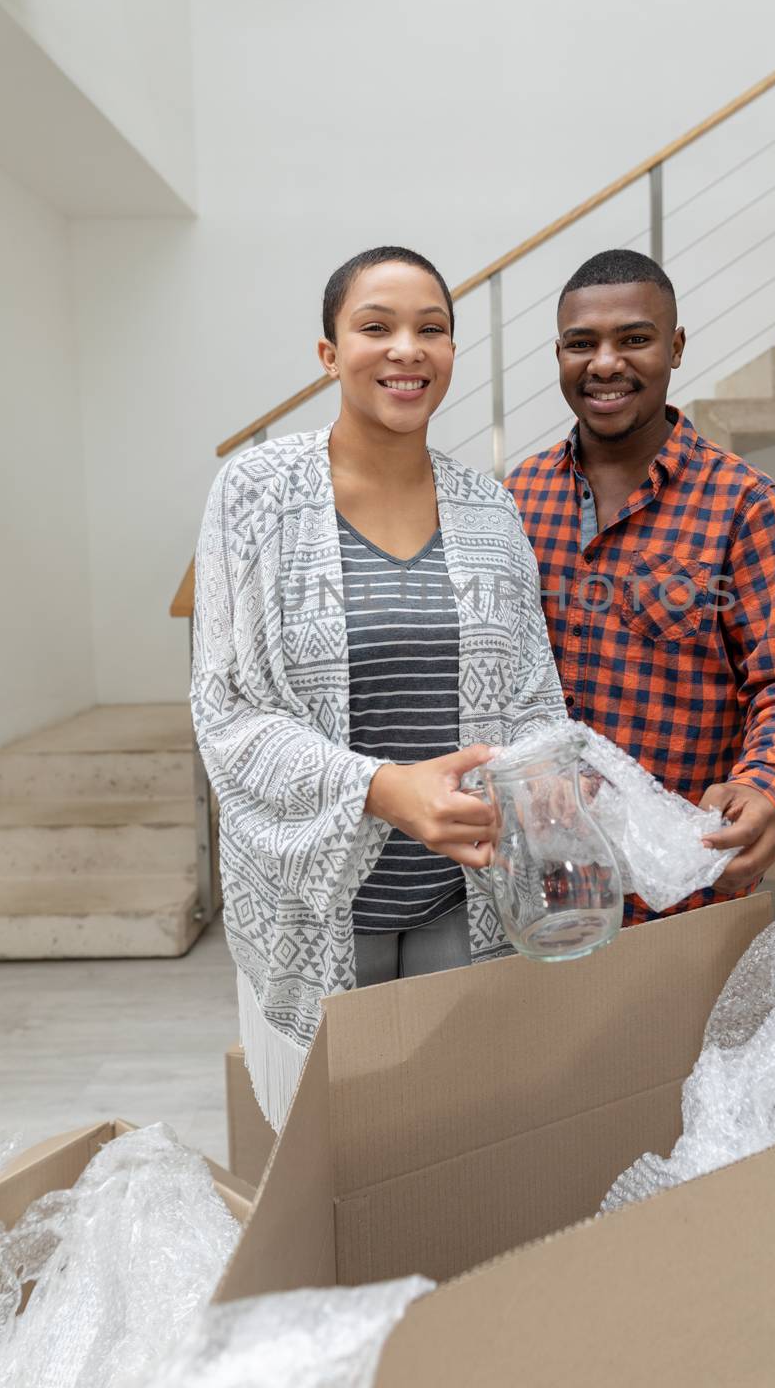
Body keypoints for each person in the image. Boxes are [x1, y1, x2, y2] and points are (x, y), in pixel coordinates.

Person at [190, 245, 565, 1128]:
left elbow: (530, 688)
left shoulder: (489, 507)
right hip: (313, 904)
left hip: (459, 895)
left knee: (437, 1142)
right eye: (376, 327)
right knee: (330, 1155)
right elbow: (227, 707)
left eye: (430, 329)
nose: (407, 349)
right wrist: (379, 789)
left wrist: (553, 774)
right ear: (329, 353)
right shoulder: (254, 494)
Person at [505, 248, 775, 922]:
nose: (604, 363)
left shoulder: (743, 505)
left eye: (633, 339)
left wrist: (766, 784)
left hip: (678, 896)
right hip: (538, 886)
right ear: (559, 354)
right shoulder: (514, 497)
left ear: (676, 346)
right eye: (582, 344)